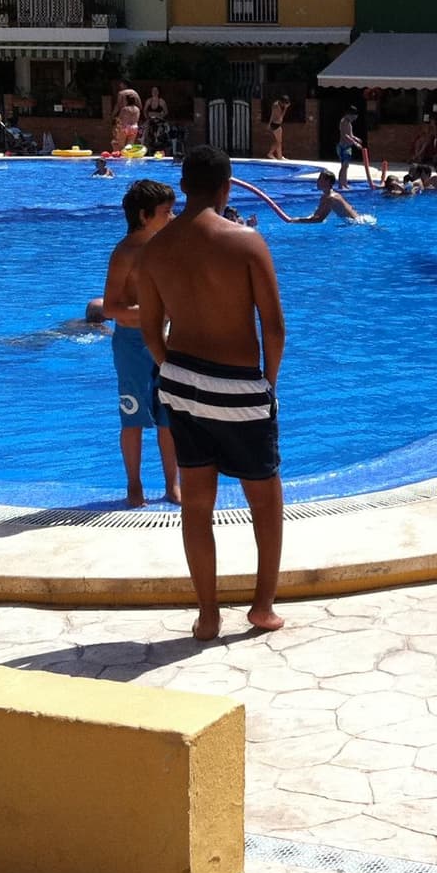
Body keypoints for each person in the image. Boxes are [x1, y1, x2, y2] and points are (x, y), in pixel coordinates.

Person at [135, 146, 286, 640]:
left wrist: (169, 371)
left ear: (183, 186)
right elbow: (274, 326)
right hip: (239, 385)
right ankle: (261, 608)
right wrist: (268, 384)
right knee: (264, 499)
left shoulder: (154, 249)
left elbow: (151, 330)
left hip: (180, 382)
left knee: (197, 503)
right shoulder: (246, 243)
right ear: (227, 187)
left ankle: (208, 615)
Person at [102, 179, 181, 507]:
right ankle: (134, 484)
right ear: (145, 216)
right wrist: (153, 313)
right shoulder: (125, 253)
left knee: (169, 418)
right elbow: (110, 308)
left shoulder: (168, 247)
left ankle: (171, 484)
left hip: (167, 342)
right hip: (133, 345)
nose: (174, 216)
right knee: (133, 417)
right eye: (167, 211)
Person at [296, 169, 361, 224]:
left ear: (328, 182)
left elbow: (319, 219)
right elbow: (316, 215)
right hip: (357, 221)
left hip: (356, 223)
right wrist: (300, 219)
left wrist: (295, 221)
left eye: (320, 179)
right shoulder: (326, 196)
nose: (317, 181)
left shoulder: (330, 198)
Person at [335, 107, 368, 189]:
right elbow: (345, 135)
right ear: (349, 115)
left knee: (345, 166)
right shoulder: (344, 122)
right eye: (353, 117)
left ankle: (344, 184)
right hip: (343, 146)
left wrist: (356, 138)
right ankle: (341, 184)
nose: (354, 119)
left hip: (347, 146)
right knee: (344, 166)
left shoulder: (348, 122)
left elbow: (350, 135)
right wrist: (355, 143)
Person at [113, 83, 143, 153]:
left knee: (121, 146)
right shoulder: (137, 109)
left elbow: (120, 118)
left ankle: (121, 161)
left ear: (126, 100)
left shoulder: (125, 109)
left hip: (125, 127)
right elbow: (137, 118)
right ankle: (128, 161)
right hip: (134, 127)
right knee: (129, 146)